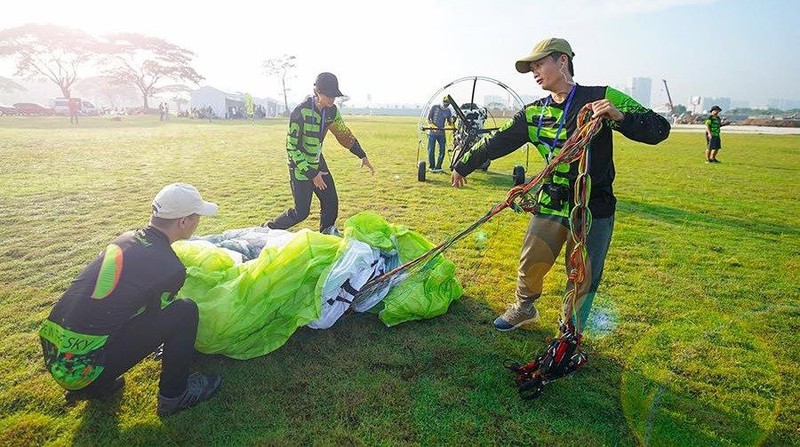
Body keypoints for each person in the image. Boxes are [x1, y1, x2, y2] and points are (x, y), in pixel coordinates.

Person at [451, 38, 670, 337]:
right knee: (531, 263)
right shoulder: (533, 113)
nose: (535, 72)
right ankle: (524, 308)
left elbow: (659, 129)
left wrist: (619, 117)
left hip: (594, 206)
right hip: (551, 203)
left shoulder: (603, 97)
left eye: (539, 64)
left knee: (583, 273)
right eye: (532, 68)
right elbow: (496, 142)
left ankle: (570, 330)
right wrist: (462, 165)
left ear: (562, 61)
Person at [39, 183, 223, 416]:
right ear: (183, 221)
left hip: (54, 354)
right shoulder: (170, 267)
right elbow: (159, 317)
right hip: (81, 369)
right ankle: (174, 396)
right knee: (184, 312)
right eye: (197, 216)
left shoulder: (127, 238)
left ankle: (96, 384)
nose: (199, 221)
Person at [264, 72, 375, 235]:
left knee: (331, 201)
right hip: (300, 166)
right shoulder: (300, 112)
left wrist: (362, 154)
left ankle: (326, 233)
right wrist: (312, 173)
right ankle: (268, 228)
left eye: (334, 96)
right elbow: (291, 147)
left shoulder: (332, 112)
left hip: (317, 161)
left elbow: (343, 134)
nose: (332, 99)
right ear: (318, 92)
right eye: (328, 95)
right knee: (301, 212)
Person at [426, 97, 454, 172]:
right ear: (443, 101)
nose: (446, 105)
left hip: (441, 134)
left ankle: (438, 167)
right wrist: (433, 126)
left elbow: (449, 122)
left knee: (442, 150)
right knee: (431, 150)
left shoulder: (448, 111)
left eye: (448, 104)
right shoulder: (434, 107)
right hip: (432, 133)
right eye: (445, 103)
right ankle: (431, 166)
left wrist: (452, 123)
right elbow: (428, 119)